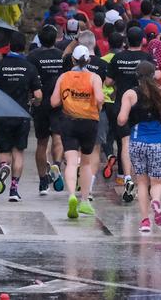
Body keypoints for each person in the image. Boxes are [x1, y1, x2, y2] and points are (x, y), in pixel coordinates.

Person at [117, 61, 161, 233]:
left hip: (137, 141)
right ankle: (156, 201)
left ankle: (144, 221)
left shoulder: (130, 94)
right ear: (154, 75)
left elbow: (121, 119)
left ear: (137, 75)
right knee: (157, 182)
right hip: (157, 141)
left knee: (141, 181)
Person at [53, 45, 105, 219]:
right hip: (89, 122)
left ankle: (71, 196)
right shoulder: (94, 77)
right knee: (86, 163)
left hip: (68, 121)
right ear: (89, 60)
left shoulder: (64, 77)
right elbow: (99, 98)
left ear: (72, 60)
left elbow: (54, 102)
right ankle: (84, 201)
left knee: (71, 162)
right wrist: (98, 107)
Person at [0, 33, 42, 202]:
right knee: (18, 152)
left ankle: (4, 166)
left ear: (9, 46)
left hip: (3, 113)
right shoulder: (29, 67)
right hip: (22, 114)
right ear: (24, 47)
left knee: (4, 150)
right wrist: (35, 103)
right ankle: (14, 190)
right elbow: (38, 94)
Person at [106, 27, 154, 202]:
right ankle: (142, 175)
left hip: (122, 103)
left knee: (125, 143)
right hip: (143, 104)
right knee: (142, 141)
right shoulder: (147, 58)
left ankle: (127, 178)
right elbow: (156, 76)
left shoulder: (118, 58)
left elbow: (109, 81)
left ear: (126, 41)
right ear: (142, 40)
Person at [27, 25, 67, 196]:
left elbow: (29, 79)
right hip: (59, 102)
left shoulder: (32, 57)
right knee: (58, 138)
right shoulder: (61, 56)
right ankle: (57, 164)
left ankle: (43, 181)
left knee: (42, 143)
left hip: (40, 102)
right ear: (56, 39)